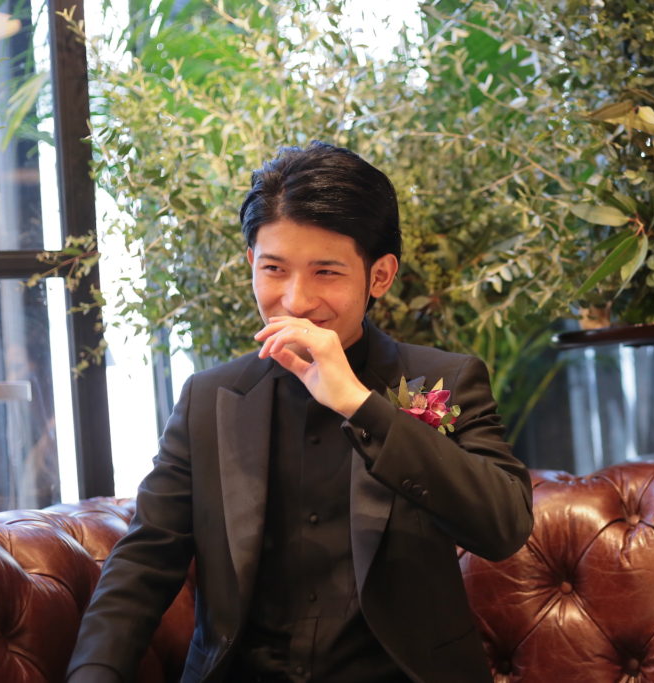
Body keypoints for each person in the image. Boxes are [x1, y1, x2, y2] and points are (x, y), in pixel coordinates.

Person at [66, 142, 534, 683]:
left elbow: (503, 526)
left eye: (326, 272)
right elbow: (144, 560)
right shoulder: (209, 399)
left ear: (380, 276)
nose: (295, 300)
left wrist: (361, 405)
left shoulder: (442, 380)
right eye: (274, 269)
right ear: (251, 263)